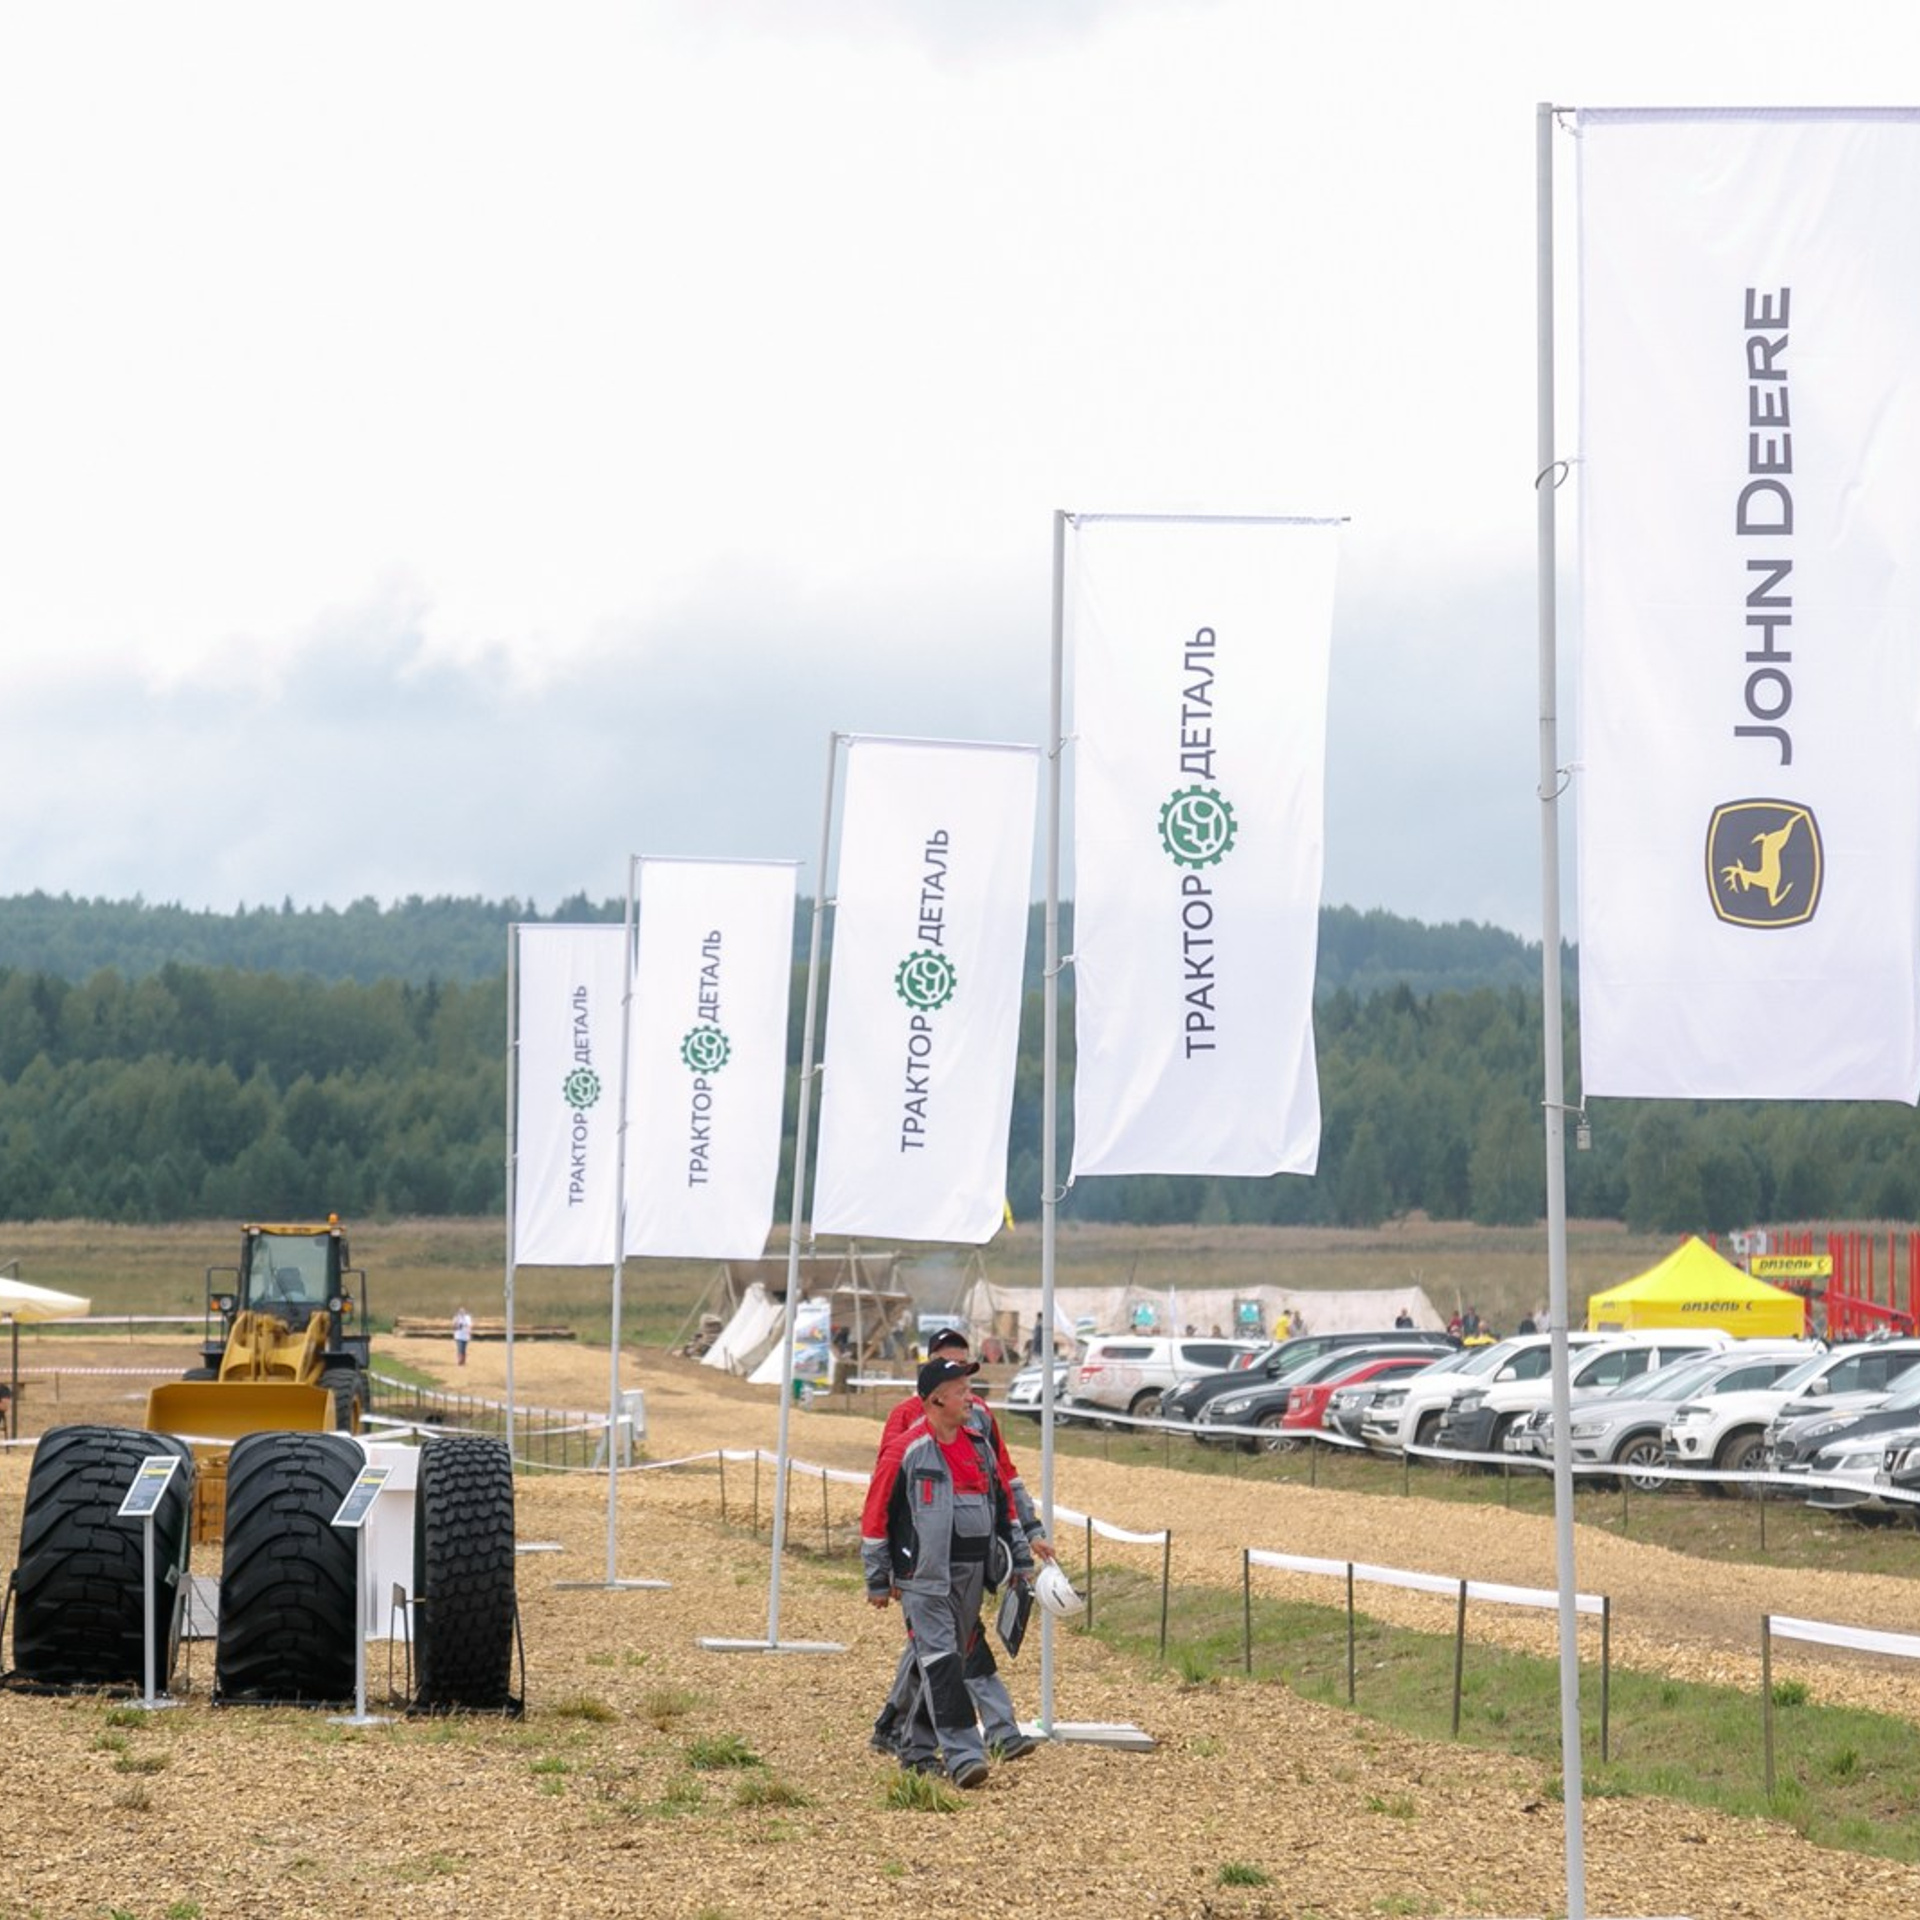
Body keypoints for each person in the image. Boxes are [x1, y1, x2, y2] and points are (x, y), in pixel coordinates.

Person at [867, 1328, 1053, 1764]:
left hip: (971, 1569)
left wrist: (1027, 1537)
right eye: (956, 1381)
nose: (969, 1394)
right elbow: (883, 1499)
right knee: (942, 1657)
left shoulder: (980, 1425)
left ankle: (901, 1734)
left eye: (968, 1378)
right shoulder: (905, 1430)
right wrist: (881, 1573)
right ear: (933, 1387)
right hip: (923, 1572)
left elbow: (1004, 1484)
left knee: (939, 1654)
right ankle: (976, 1746)